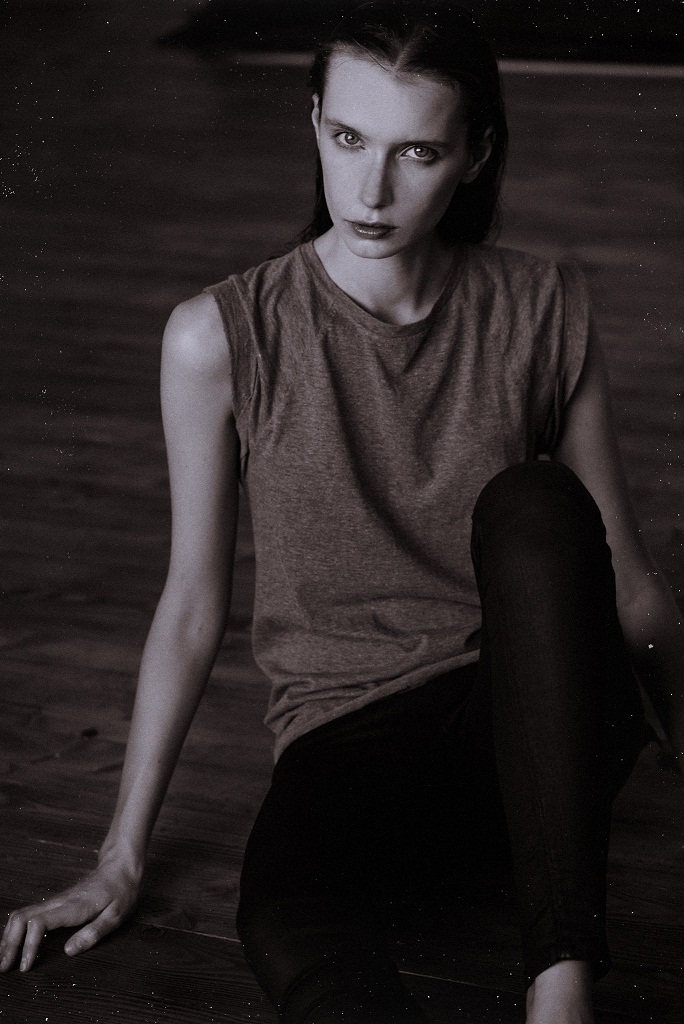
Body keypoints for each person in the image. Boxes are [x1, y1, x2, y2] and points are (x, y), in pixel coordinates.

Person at [1, 2, 682, 1022]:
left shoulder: (543, 304)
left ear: (475, 155)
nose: (371, 190)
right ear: (315, 123)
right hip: (350, 737)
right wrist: (119, 856)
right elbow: (190, 605)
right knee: (285, 920)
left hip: (540, 711)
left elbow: (625, 578)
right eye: (350, 138)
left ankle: (563, 986)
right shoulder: (218, 337)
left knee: (537, 501)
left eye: (417, 152)